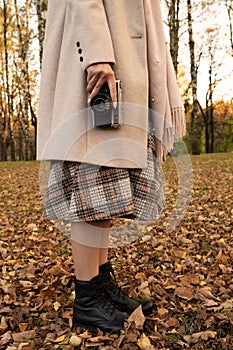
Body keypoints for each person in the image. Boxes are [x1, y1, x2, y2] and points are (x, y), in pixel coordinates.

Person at [37, 0, 186, 333]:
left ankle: (101, 284)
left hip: (119, 58)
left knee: (107, 187)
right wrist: (96, 53)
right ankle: (87, 301)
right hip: (97, 61)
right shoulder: (96, 55)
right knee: (94, 183)